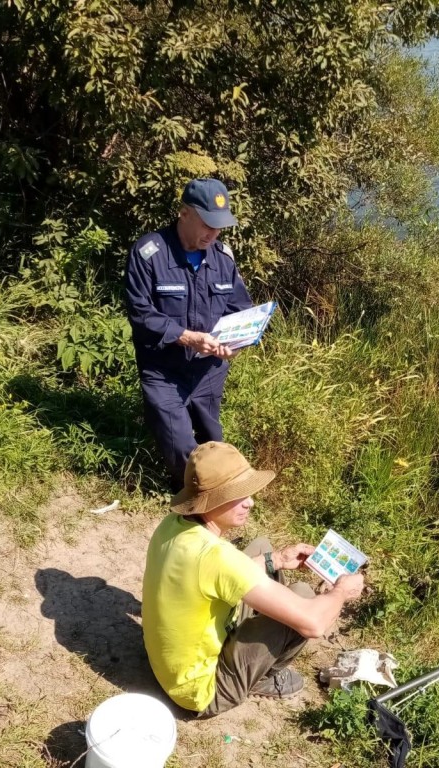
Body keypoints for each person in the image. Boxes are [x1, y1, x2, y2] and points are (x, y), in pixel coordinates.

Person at [141, 442, 366, 716]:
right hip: (199, 691)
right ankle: (260, 678)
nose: (251, 502)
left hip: (169, 662)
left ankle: (255, 643)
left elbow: (218, 571)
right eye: (238, 496)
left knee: (261, 547)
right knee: (304, 596)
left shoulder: (174, 525)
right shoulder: (216, 557)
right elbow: (314, 624)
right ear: (210, 500)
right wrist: (341, 591)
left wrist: (279, 559)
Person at [125, 178, 252, 491]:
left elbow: (240, 309)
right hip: (164, 370)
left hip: (208, 370)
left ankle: (220, 498)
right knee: (180, 445)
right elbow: (140, 314)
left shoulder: (223, 258)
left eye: (220, 226)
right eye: (208, 224)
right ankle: (195, 504)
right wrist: (186, 336)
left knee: (215, 442)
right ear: (184, 213)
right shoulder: (150, 253)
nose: (214, 233)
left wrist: (235, 343)